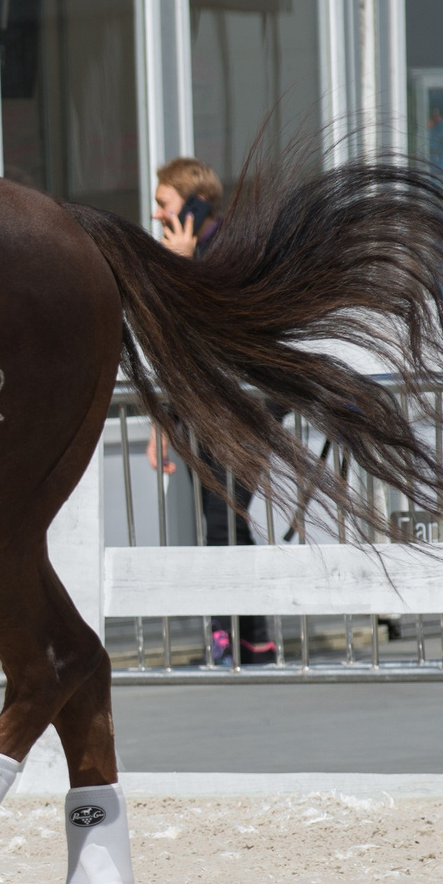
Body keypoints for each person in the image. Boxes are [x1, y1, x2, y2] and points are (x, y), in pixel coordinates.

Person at [150, 158, 276, 666]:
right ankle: (254, 639)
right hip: (212, 405)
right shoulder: (191, 251)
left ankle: (226, 636)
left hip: (245, 405)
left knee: (223, 518)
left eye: (164, 203)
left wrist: (186, 265)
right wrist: (166, 424)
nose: (157, 214)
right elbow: (181, 348)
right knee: (227, 518)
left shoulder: (228, 250)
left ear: (194, 204)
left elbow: (223, 322)